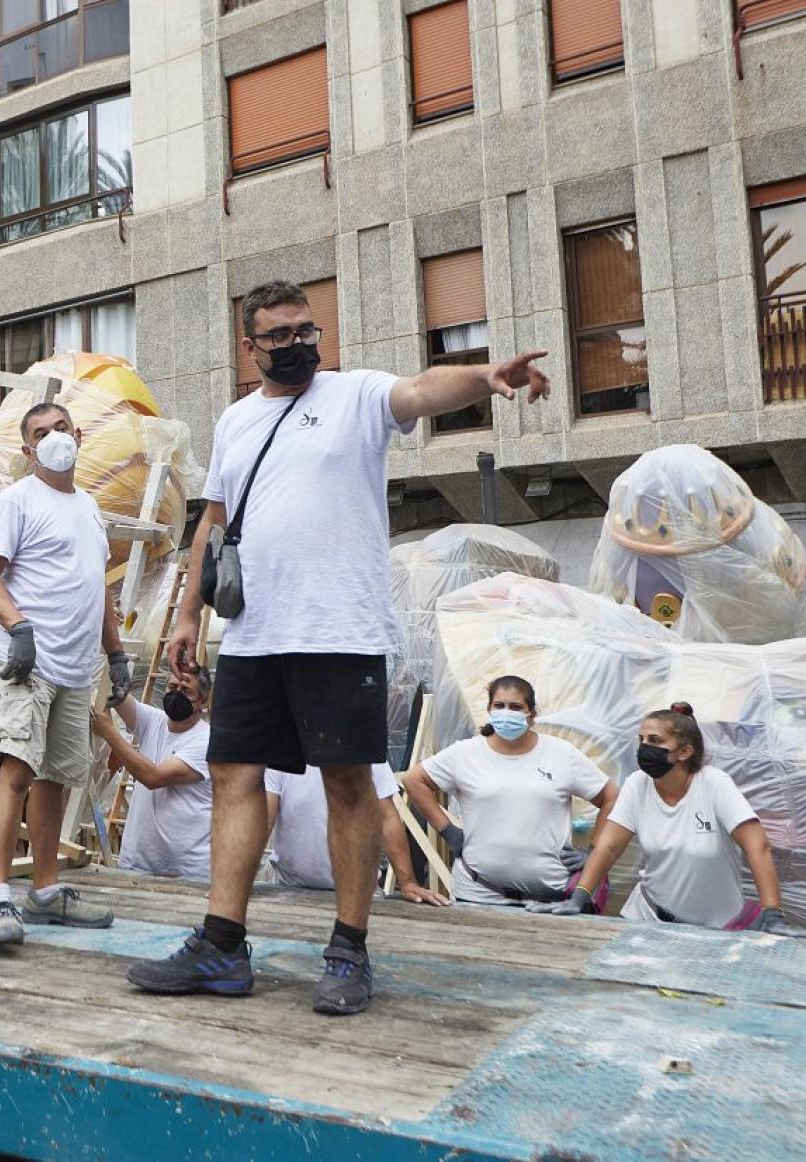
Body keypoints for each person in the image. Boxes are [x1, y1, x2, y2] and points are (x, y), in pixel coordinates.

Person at [128, 279, 549, 1015]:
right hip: (255, 633)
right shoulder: (234, 423)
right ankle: (222, 946)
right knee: (232, 774)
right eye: (279, 335)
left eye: (305, 331)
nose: (295, 345)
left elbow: (420, 389)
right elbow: (215, 525)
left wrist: (482, 377)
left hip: (340, 630)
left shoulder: (355, 396)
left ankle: (349, 952)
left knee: (348, 783)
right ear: (250, 345)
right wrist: (188, 613)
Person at [0, 402, 128, 945]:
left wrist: (116, 653)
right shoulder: (16, 502)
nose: (55, 437)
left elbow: (98, 584)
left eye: (61, 428)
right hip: (28, 662)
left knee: (56, 778)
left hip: (75, 665)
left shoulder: (89, 508)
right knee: (15, 769)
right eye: (41, 433)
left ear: (77, 435)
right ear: (27, 449)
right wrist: (18, 628)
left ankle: (44, 891)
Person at [533, 703, 806, 938]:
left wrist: (772, 914)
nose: (645, 748)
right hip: (646, 919)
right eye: (642, 740)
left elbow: (757, 846)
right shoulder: (638, 784)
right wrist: (579, 898)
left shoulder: (714, 784)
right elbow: (608, 848)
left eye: (656, 741)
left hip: (717, 932)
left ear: (685, 752)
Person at [400, 676, 619, 908]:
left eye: (516, 707)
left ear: (531, 714)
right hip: (478, 894)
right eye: (499, 706)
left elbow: (611, 797)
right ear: (489, 710)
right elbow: (414, 780)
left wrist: (594, 852)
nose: (507, 712)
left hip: (551, 900)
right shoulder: (465, 753)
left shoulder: (561, 754)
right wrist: (449, 831)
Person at [266, 764, 449, 904]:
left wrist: (408, 882)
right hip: (290, 889)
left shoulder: (364, 745)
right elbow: (264, 817)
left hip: (361, 894)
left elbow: (387, 817)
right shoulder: (284, 749)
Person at [93, 668, 213, 881]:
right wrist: (111, 656)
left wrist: (109, 732)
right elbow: (117, 691)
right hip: (136, 865)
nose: (176, 694)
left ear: (203, 701)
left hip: (187, 875)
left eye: (185, 690)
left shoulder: (205, 741)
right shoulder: (153, 721)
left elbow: (153, 777)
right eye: (172, 687)